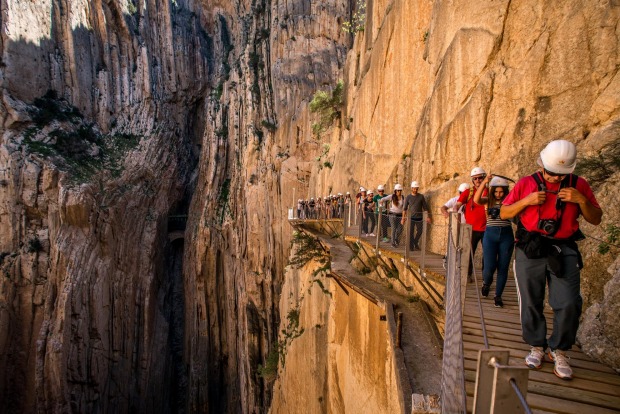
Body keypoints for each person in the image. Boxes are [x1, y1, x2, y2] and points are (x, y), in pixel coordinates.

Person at [500, 140, 602, 380]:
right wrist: (527, 201)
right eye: (551, 173)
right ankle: (537, 345)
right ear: (542, 165)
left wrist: (581, 201)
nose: (555, 178)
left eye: (560, 174)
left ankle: (560, 349)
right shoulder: (526, 184)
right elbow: (504, 212)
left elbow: (595, 218)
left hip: (562, 248)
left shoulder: (579, 186)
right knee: (530, 299)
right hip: (530, 247)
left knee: (568, 302)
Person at [473, 175, 514, 308]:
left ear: (506, 191)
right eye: (496, 191)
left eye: (501, 191)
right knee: (489, 267)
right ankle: (486, 283)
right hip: (490, 234)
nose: (498, 194)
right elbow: (476, 199)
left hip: (506, 235)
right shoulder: (488, 201)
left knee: (503, 267)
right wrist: (484, 183)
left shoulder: (510, 201)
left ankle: (498, 296)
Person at [455, 167, 488, 278]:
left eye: (480, 178)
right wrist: (455, 211)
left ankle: (485, 277)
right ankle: (468, 275)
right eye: (475, 178)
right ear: (472, 180)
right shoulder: (468, 193)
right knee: (469, 253)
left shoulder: (490, 192)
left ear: (484, 178)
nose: (478, 180)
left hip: (486, 228)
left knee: (487, 254)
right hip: (472, 228)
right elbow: (458, 204)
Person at [402, 181, 432, 251]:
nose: (415, 190)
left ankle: (415, 241)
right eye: (414, 188)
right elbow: (405, 208)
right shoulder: (408, 197)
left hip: (419, 217)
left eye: (416, 189)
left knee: (420, 230)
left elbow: (425, 208)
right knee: (411, 232)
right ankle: (411, 247)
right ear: (411, 188)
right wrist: (403, 218)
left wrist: (427, 217)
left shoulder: (421, 196)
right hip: (411, 217)